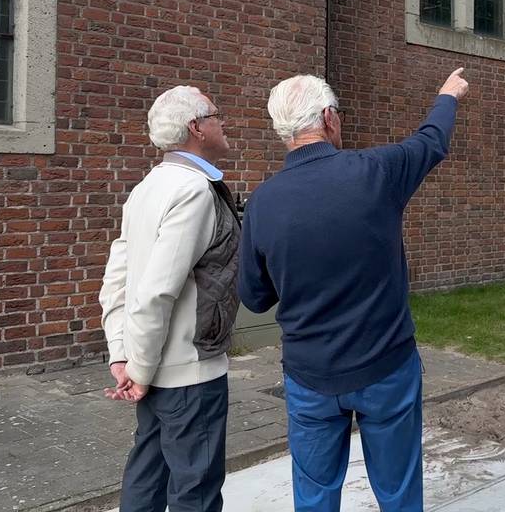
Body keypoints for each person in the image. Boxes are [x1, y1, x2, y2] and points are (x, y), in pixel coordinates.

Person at [238, 68, 469, 512]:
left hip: (309, 375)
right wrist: (447, 95)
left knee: (315, 495)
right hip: (386, 366)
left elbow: (255, 297)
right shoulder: (376, 172)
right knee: (398, 492)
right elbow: (430, 140)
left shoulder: (264, 200)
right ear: (329, 117)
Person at [98, 85, 241, 512]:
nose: (223, 122)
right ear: (196, 127)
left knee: (147, 474)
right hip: (188, 372)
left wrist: (121, 355)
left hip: (154, 366)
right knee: (194, 491)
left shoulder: (147, 187)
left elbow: (117, 279)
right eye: (216, 115)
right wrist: (137, 368)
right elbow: (156, 290)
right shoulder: (193, 190)